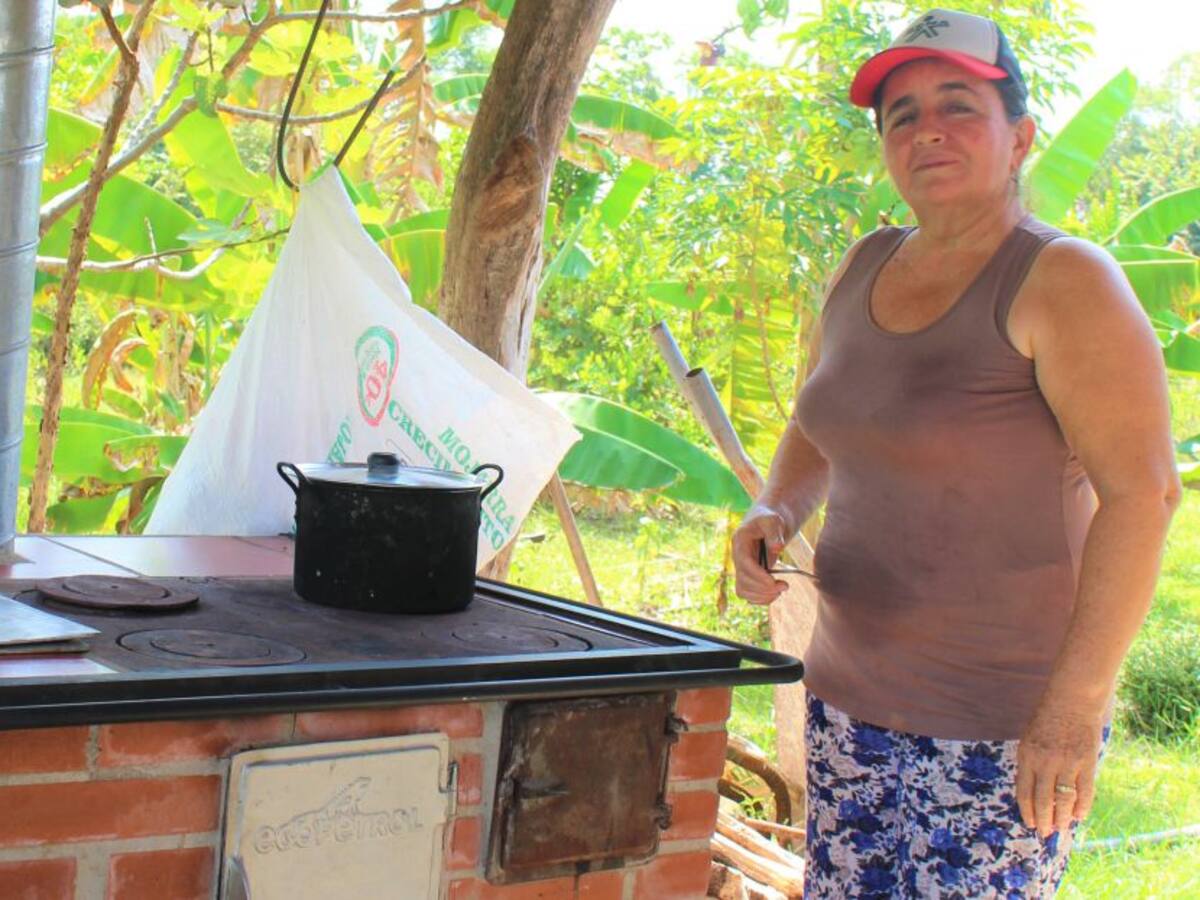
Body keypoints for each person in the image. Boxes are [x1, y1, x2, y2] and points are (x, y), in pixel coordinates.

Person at [732, 8, 1181, 898]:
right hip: (847, 704)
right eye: (901, 114)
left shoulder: (1064, 281)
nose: (926, 128)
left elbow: (1145, 497)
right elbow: (819, 419)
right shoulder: (863, 263)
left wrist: (1074, 708)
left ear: (1019, 136)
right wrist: (776, 508)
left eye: (957, 105)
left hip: (997, 727)